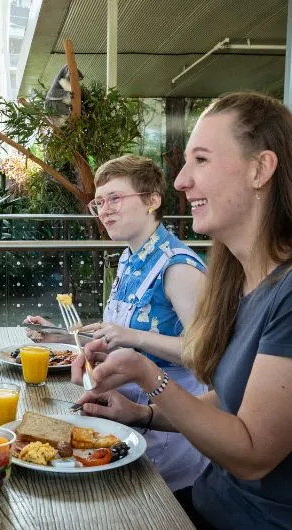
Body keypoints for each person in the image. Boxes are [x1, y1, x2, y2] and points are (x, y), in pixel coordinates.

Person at [7, 92, 292, 530]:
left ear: (262, 169)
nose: (180, 180)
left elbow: (253, 453)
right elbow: (228, 402)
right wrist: (140, 413)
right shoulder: (249, 280)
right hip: (217, 517)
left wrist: (150, 379)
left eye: (201, 160)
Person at [23, 154, 208, 492]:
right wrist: (63, 335)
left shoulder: (178, 267)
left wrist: (132, 336)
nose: (104, 210)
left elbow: (206, 353)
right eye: (99, 202)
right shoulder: (129, 257)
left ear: (152, 201)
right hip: (121, 418)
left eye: (115, 198)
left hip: (166, 431)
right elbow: (120, 334)